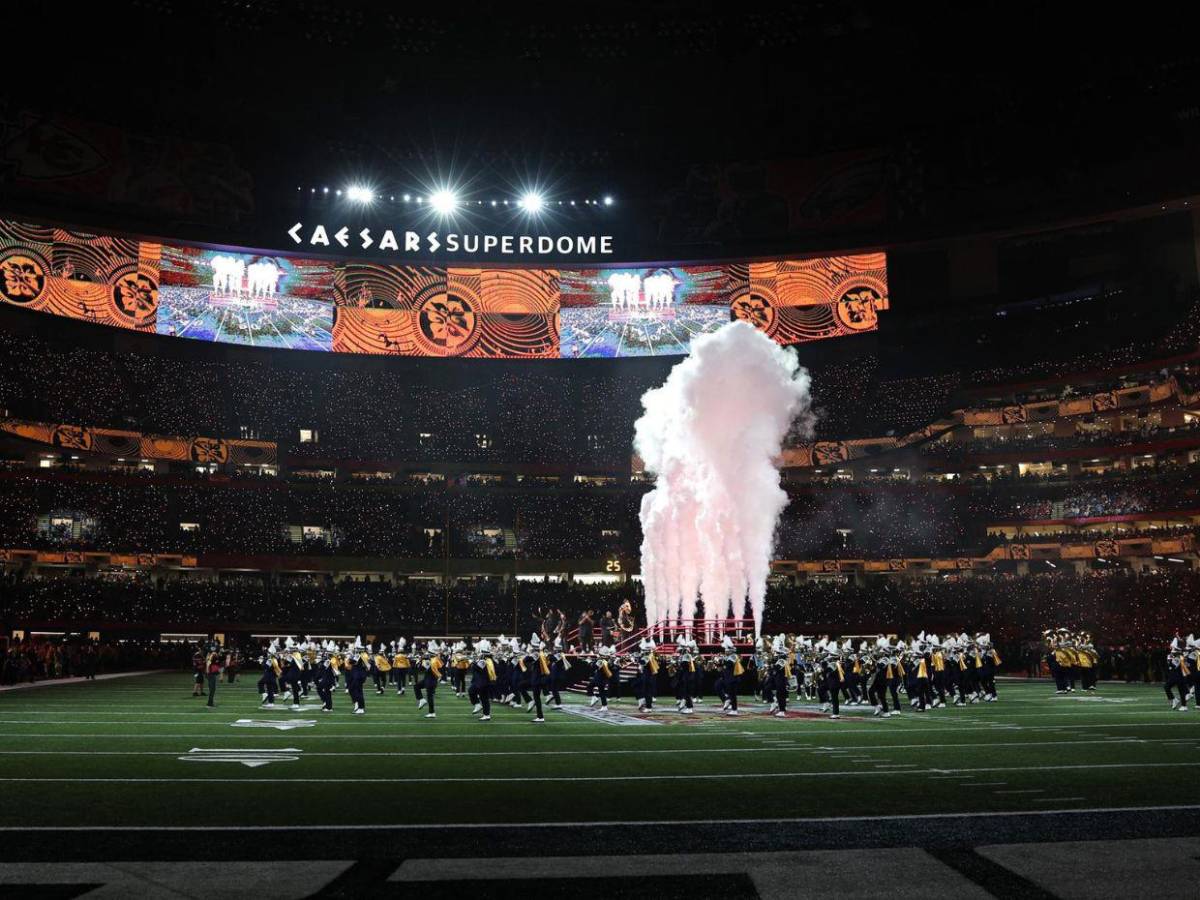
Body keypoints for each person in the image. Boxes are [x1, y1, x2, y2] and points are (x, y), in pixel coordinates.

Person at [204, 642, 223, 708]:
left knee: (212, 689)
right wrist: (207, 672)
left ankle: (211, 702)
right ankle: (209, 704)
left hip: (211, 674)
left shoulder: (212, 655)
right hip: (211, 674)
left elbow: (217, 665)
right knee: (212, 689)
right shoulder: (212, 655)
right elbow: (208, 663)